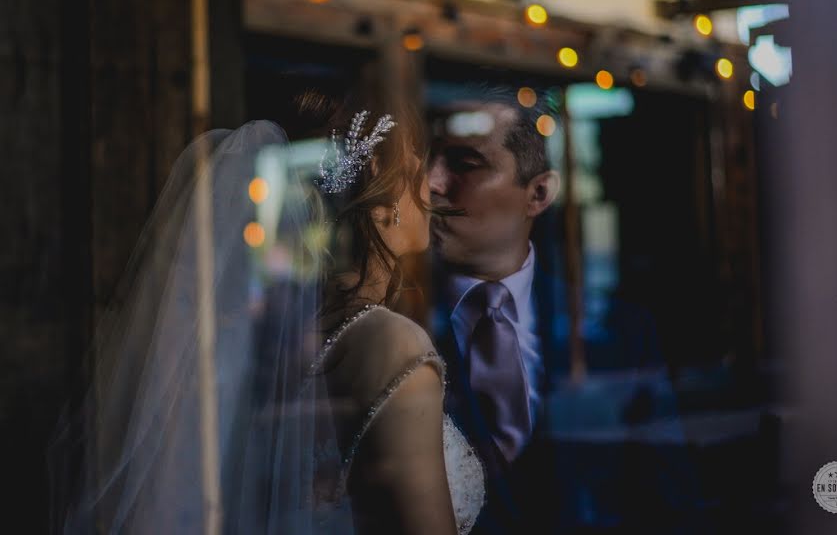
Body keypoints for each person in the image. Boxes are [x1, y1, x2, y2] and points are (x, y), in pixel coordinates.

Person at [50, 88, 486, 534]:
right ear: (380, 186)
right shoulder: (395, 345)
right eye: (417, 163)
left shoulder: (270, 339)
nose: (434, 185)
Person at [426, 85, 562, 534]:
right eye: (428, 162)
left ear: (538, 193)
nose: (432, 184)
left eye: (465, 164)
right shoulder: (394, 326)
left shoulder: (612, 328)